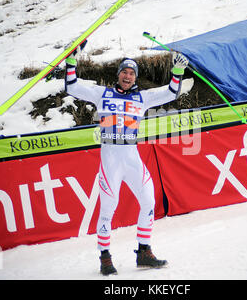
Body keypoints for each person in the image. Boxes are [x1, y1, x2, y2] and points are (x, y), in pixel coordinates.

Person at [64, 40, 189, 275]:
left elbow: (172, 91)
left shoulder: (143, 98)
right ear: (118, 75)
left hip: (131, 157)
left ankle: (144, 251)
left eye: (132, 73)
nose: (128, 76)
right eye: (124, 72)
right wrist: (71, 61)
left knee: (149, 202)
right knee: (107, 210)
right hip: (110, 159)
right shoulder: (102, 94)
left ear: (135, 77)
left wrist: (178, 71)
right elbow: (71, 85)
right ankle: (105, 257)